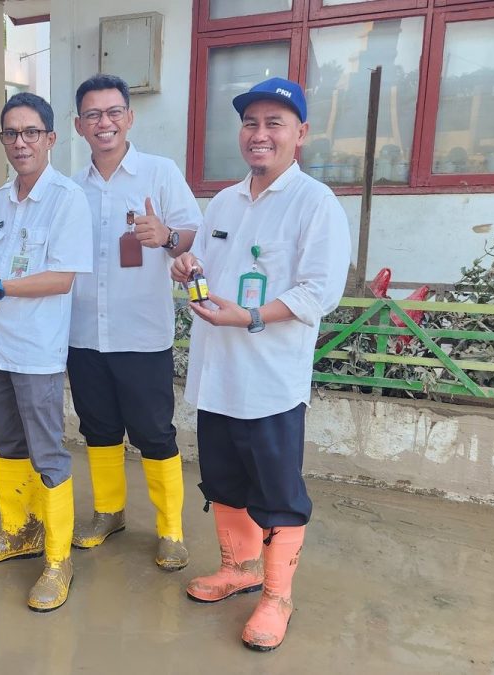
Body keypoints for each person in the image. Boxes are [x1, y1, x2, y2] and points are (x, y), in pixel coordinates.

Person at [171, 77, 350, 651]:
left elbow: (319, 292)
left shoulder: (314, 203)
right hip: (218, 372)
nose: (260, 134)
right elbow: (211, 266)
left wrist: (250, 318)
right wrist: (187, 265)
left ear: (301, 133)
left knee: (277, 492)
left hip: (270, 379)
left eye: (275, 123)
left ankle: (277, 595)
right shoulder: (223, 201)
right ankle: (239, 568)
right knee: (224, 481)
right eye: (251, 123)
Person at [0, 92, 92, 612]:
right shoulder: (0, 197)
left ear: (51, 138)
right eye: (11, 133)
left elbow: (61, 278)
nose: (20, 142)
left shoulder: (67, 199)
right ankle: (19, 532)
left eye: (31, 132)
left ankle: (58, 559)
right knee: (8, 445)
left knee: (47, 452)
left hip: (37, 352)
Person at [67, 74, 203, 570]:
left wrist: (167, 236)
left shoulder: (159, 173)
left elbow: (192, 233)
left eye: (113, 113)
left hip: (141, 333)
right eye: (93, 115)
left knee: (154, 433)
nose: (104, 123)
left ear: (129, 117)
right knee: (98, 428)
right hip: (83, 333)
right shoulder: (70, 187)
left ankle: (170, 530)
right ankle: (109, 513)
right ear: (79, 125)